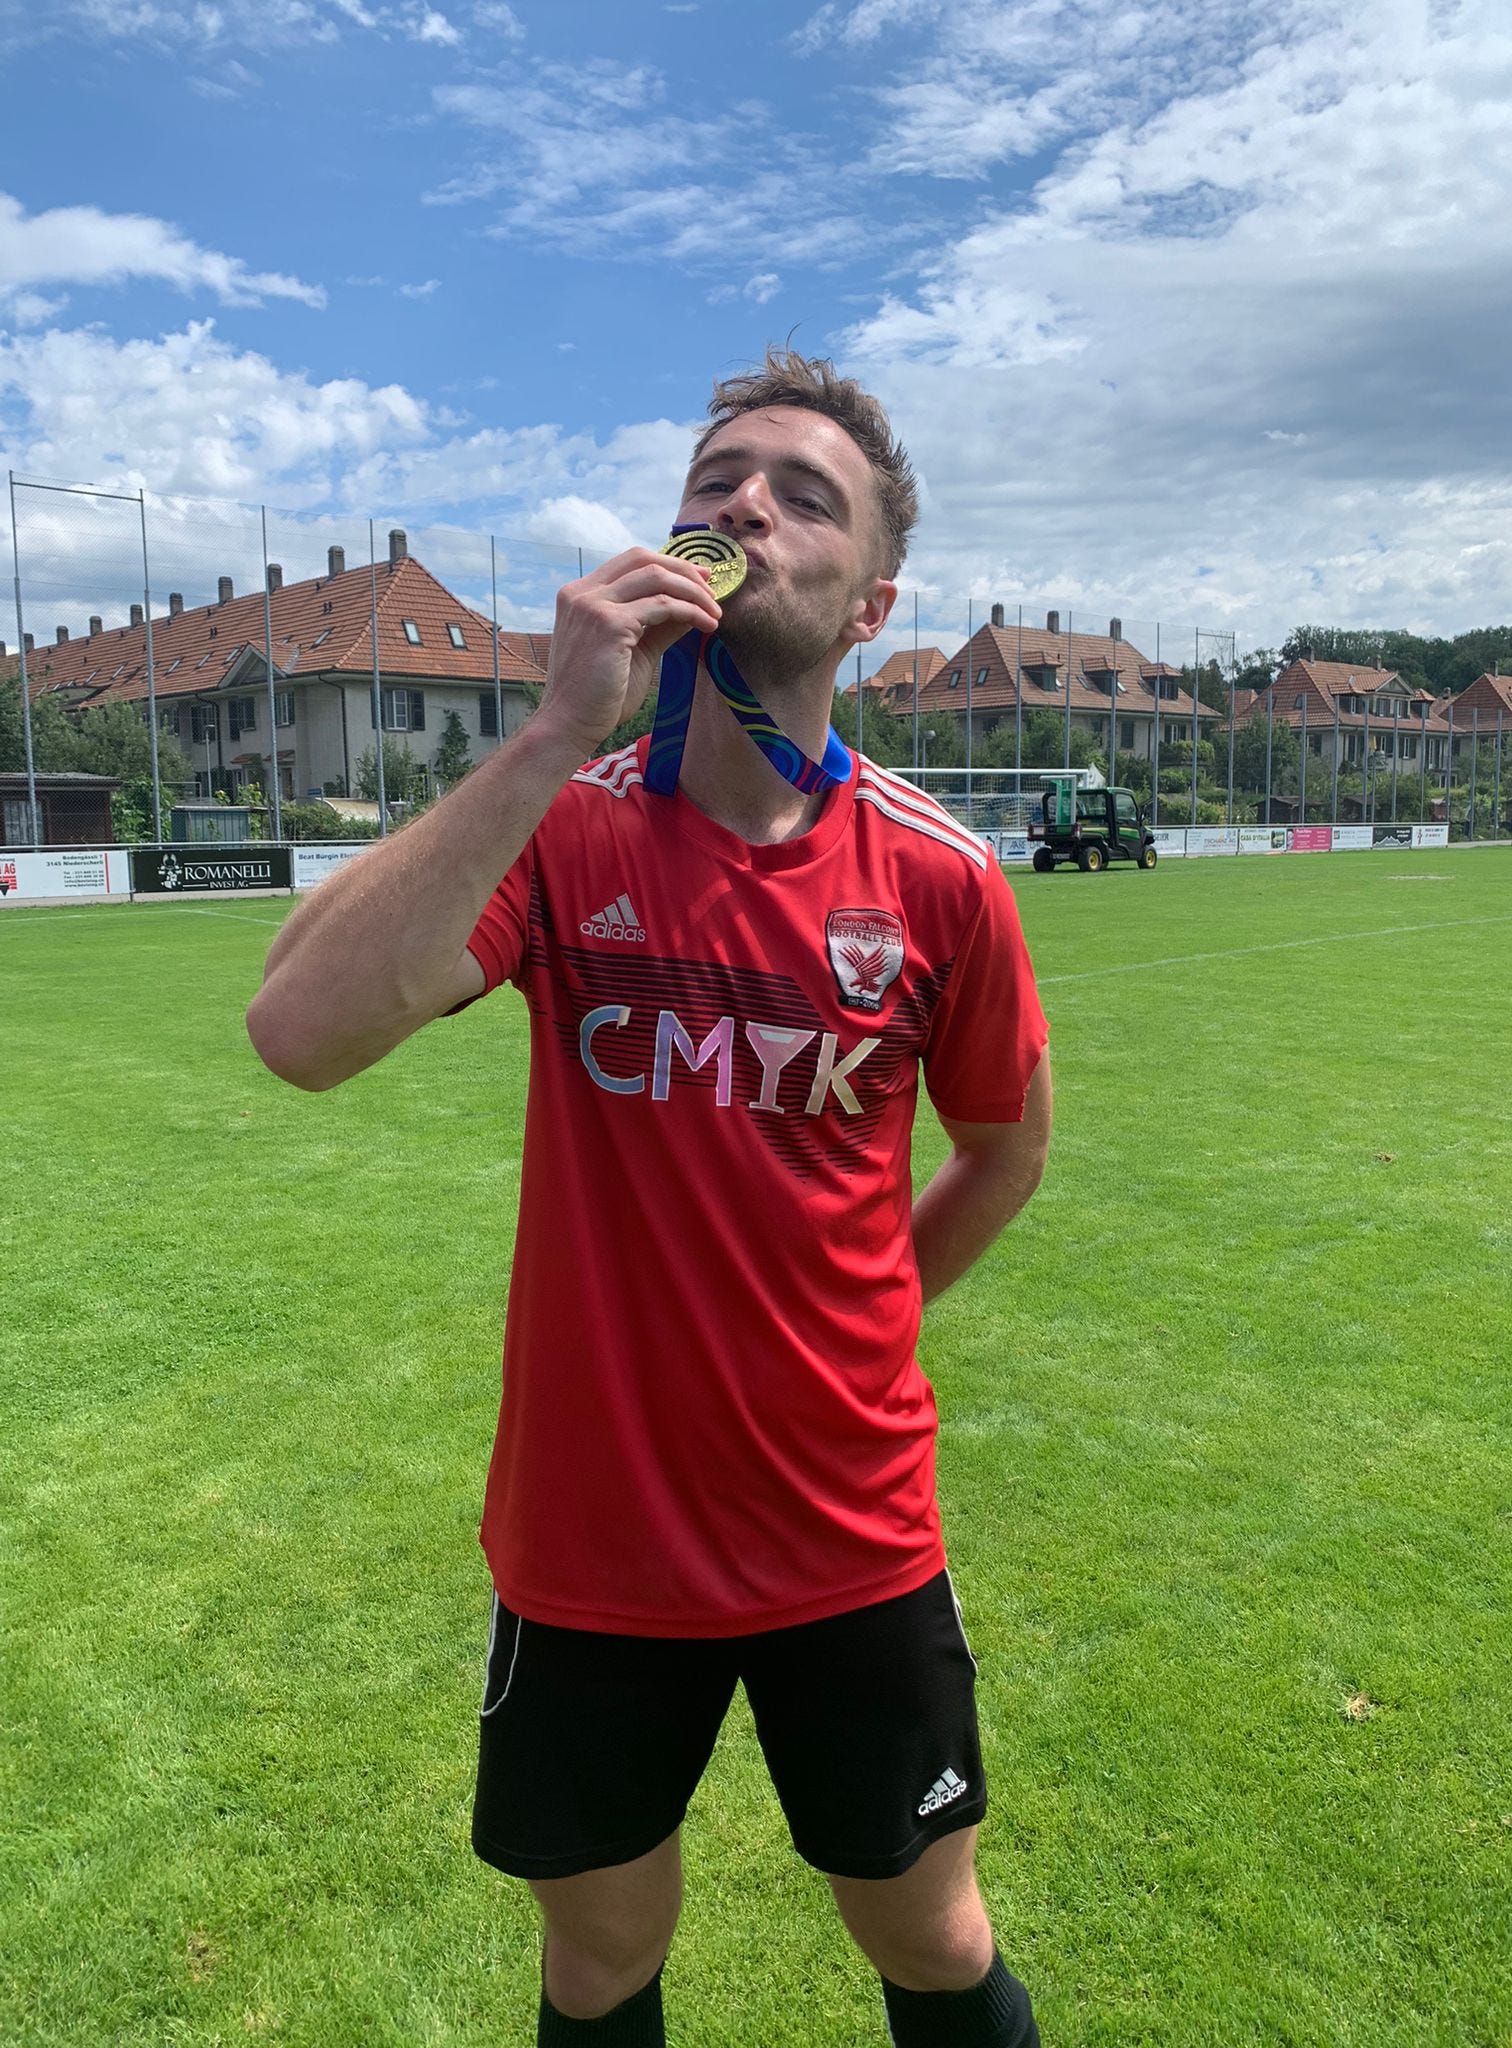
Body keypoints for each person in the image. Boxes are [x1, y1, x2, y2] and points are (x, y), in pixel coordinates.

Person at [247, 348, 1052, 2048]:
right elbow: (297, 1036)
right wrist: (550, 728)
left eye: (798, 491)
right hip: (593, 1538)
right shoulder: (569, 824)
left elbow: (1004, 1145)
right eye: (716, 479)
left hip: (850, 1526)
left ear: (870, 608)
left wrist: (874, 1317)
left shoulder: (939, 879)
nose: (739, 502)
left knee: (932, 1942)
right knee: (600, 1963)